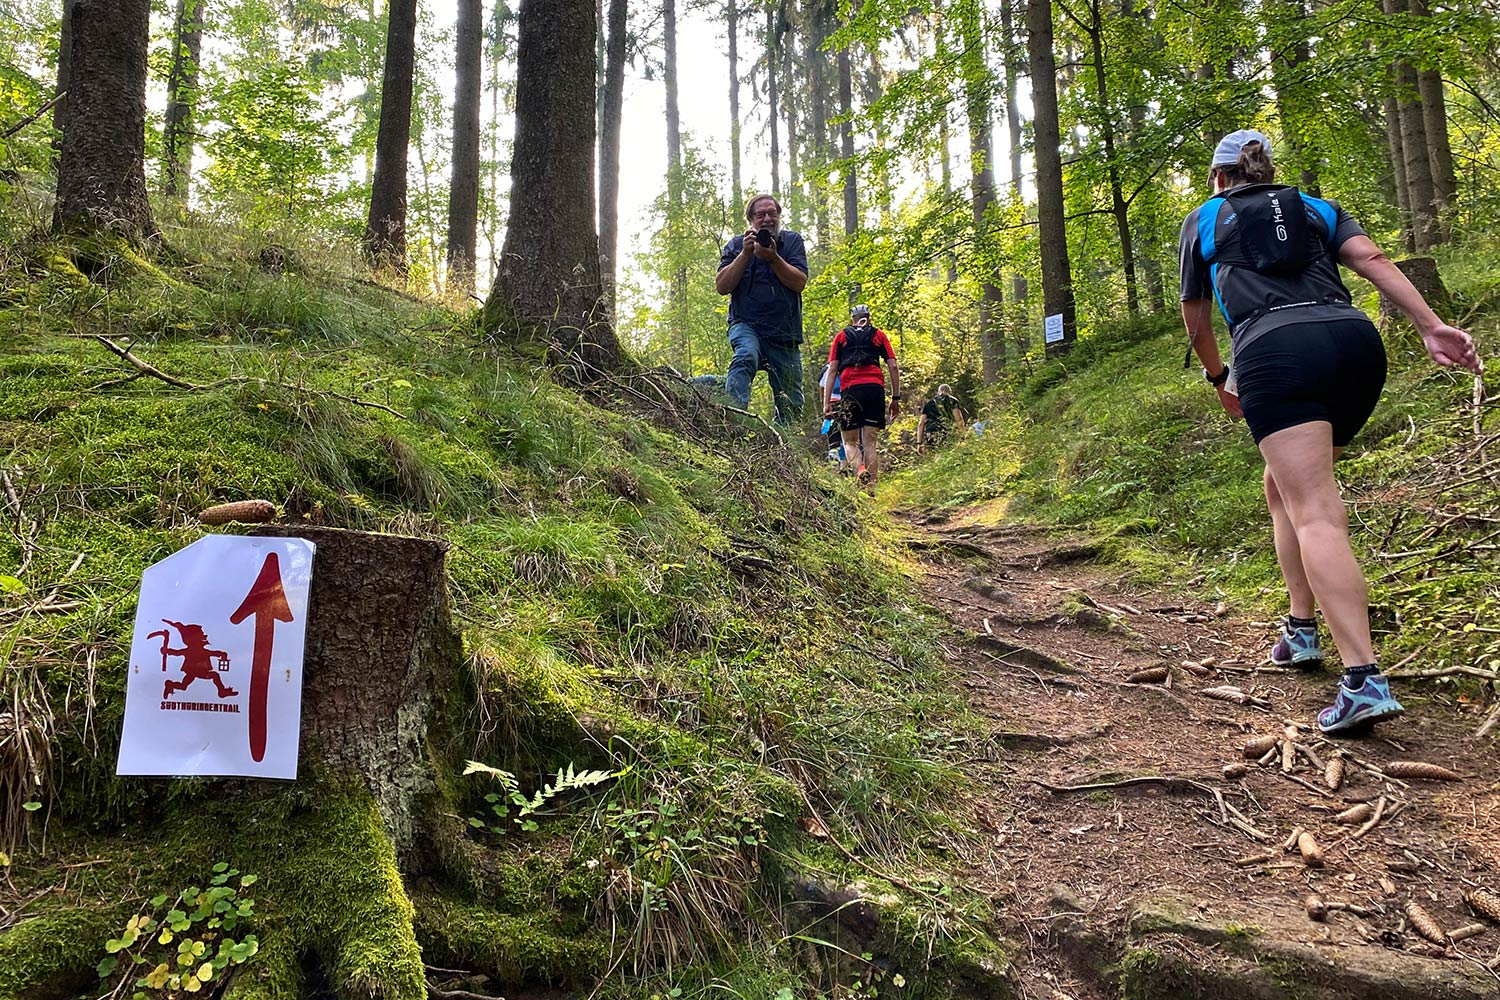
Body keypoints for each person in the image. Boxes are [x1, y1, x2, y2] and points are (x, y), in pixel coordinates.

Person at [1179, 128, 1481, 735]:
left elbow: (1196, 315)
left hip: (1276, 351)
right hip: (1354, 346)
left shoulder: (1205, 219)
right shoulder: (1315, 207)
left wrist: (1219, 377)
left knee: (1314, 508)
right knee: (1283, 487)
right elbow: (1371, 261)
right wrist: (1431, 326)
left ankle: (1363, 680)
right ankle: (1300, 630)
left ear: (1219, 177)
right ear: (1268, 172)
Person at [715, 194, 809, 424]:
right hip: (746, 325)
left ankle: (780, 448)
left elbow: (799, 282)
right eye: (760, 215)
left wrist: (774, 257)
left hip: (784, 333)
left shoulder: (792, 241)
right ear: (750, 220)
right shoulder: (736, 245)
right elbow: (722, 286)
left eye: (772, 213)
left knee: (791, 404)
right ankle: (735, 423)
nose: (767, 219)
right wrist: (745, 254)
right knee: (745, 356)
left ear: (778, 216)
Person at [823, 304, 902, 488]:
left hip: (850, 389)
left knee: (849, 442)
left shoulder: (841, 337)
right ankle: (871, 490)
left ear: (852, 319)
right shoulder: (878, 335)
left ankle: (859, 469)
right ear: (868, 317)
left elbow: (832, 369)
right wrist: (895, 398)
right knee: (870, 443)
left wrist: (826, 402)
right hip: (875, 389)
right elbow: (893, 366)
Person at [918, 385, 966, 452]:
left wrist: (919, 443)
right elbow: (959, 419)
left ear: (938, 392)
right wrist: (963, 436)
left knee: (933, 456)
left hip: (931, 434)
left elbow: (921, 424)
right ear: (949, 392)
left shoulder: (929, 403)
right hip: (947, 433)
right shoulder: (952, 401)